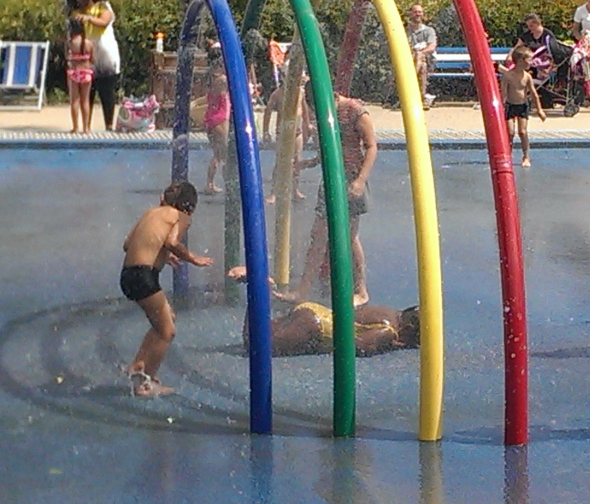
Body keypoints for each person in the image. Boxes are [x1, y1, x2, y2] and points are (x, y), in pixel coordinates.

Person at [275, 92, 377, 306]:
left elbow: (371, 146)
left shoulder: (355, 109)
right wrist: (308, 163)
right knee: (318, 236)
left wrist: (359, 181)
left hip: (351, 180)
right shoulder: (323, 112)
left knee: (349, 237)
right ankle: (302, 290)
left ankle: (361, 290)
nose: (315, 112)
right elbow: (328, 150)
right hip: (331, 180)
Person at [121, 182, 213, 397]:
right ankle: (147, 384)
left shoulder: (151, 212)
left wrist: (161, 253)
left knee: (166, 318)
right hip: (144, 276)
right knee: (167, 331)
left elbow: (128, 245)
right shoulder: (180, 216)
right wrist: (192, 258)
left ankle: (138, 364)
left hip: (128, 275)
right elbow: (172, 242)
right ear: (189, 206)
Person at [226, 267, 420, 356]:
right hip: (318, 328)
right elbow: (358, 346)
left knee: (263, 330)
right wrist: (386, 343)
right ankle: (258, 287)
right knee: (257, 346)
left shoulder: (390, 312)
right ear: (409, 328)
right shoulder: (388, 330)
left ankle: (258, 287)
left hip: (316, 313)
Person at [64, 0, 121, 131]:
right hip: (85, 59)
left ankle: (109, 125)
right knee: (85, 95)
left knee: (106, 92)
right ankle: (85, 127)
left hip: (104, 56)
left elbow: (104, 21)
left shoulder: (103, 6)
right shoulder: (76, 13)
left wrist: (89, 18)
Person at [262, 77, 315, 202]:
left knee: (297, 161)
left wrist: (307, 123)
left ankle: (295, 189)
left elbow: (304, 109)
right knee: (281, 161)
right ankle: (274, 192)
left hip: (297, 132)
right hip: (283, 132)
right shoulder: (278, 93)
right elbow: (268, 111)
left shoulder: (300, 92)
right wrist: (265, 131)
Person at [501, 46, 546, 167]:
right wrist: (500, 108)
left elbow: (534, 94)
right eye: (530, 60)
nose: (532, 63)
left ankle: (526, 156)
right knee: (510, 132)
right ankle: (508, 155)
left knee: (522, 132)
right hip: (510, 105)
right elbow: (503, 93)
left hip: (523, 106)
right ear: (521, 60)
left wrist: (539, 110)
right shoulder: (508, 76)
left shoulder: (527, 76)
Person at [203, 43, 231, 195]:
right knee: (225, 155)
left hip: (210, 117)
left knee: (217, 154)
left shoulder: (210, 77)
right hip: (221, 119)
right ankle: (229, 184)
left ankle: (210, 183)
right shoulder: (222, 80)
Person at [65, 17, 94, 134]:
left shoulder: (70, 43)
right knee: (85, 100)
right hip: (86, 72)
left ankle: (75, 127)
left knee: (74, 100)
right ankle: (86, 128)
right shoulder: (88, 43)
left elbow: (67, 57)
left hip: (74, 72)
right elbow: (93, 59)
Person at [406, 4, 437, 109]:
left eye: (420, 12)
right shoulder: (406, 31)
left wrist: (421, 53)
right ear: (410, 14)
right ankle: (422, 99)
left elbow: (432, 47)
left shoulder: (429, 31)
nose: (418, 14)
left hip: (427, 60)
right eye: (415, 12)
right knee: (422, 67)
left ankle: (410, 82)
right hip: (411, 60)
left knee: (420, 57)